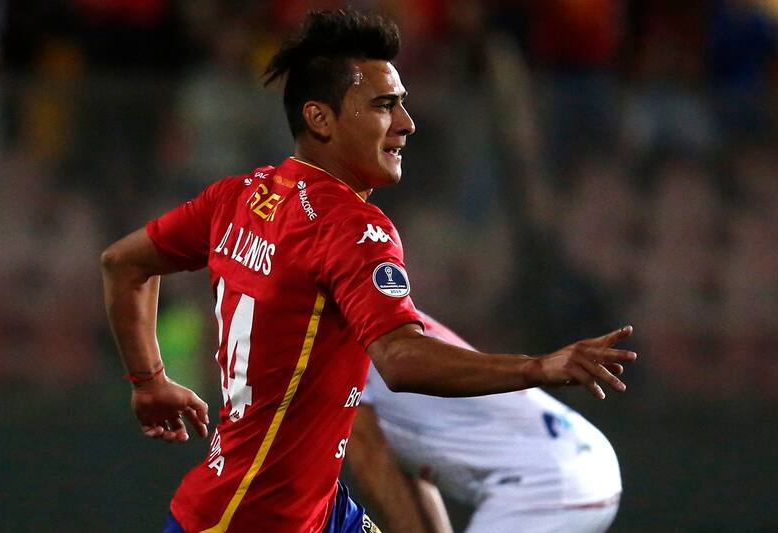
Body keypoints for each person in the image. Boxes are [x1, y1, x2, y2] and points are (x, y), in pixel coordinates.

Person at [101, 9, 637, 533]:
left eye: (401, 104)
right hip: (261, 517)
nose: (406, 124)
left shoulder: (237, 196)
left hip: (308, 505)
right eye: (384, 106)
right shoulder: (351, 227)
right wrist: (539, 367)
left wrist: (149, 383)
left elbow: (123, 263)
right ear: (320, 118)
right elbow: (399, 361)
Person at [347, 312, 622, 533]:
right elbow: (402, 468)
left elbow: (373, 461)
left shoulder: (344, 340)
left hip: (547, 484)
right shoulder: (380, 315)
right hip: (578, 462)